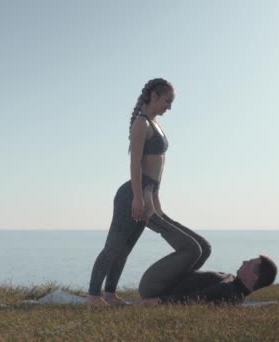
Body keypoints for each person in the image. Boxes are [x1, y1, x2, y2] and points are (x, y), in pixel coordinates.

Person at [87, 78, 211, 306]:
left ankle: (110, 294)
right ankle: (94, 295)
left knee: (124, 250)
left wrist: (155, 199)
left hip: (146, 194)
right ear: (154, 95)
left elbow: (156, 173)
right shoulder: (141, 124)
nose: (169, 107)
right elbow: (135, 164)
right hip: (132, 196)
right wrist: (137, 197)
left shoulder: (155, 125)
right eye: (167, 101)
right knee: (113, 248)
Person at [138, 255, 277, 305]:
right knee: (202, 249)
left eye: (250, 263)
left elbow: (190, 300)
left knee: (195, 249)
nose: (244, 261)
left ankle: (153, 216)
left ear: (253, 277)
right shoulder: (234, 283)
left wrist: (152, 302)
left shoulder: (229, 290)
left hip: (157, 286)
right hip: (167, 280)